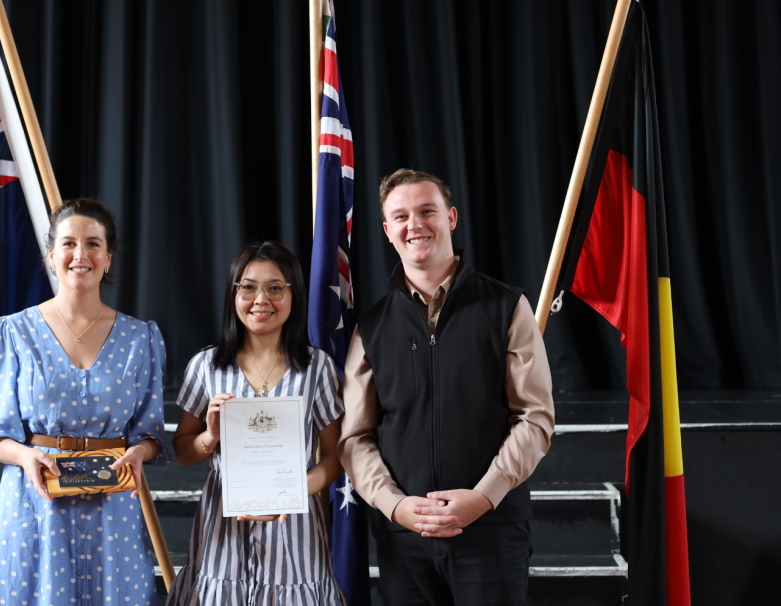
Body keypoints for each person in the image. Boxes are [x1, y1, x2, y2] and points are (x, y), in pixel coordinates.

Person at [338, 169, 555, 605]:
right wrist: (394, 506)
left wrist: (482, 497)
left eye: (426, 211)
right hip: (404, 537)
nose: (414, 224)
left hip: (490, 528)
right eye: (400, 216)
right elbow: (355, 437)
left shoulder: (507, 307)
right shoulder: (371, 326)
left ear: (451, 218)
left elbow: (535, 419)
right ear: (387, 231)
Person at [0, 197, 169, 606]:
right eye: (69, 244)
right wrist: (25, 457)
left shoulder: (140, 339)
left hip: (113, 510)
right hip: (34, 505)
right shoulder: (12, 333)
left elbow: (150, 434)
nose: (82, 254)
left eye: (94, 244)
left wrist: (139, 453)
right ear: (51, 255)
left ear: (109, 257)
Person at [167, 241, 346, 605]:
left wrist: (295, 489)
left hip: (294, 532)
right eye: (248, 287)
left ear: (292, 294)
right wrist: (211, 436)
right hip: (221, 533)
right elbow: (184, 451)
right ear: (234, 294)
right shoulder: (206, 366)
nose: (260, 299)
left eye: (275, 287)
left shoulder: (318, 368)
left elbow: (335, 456)